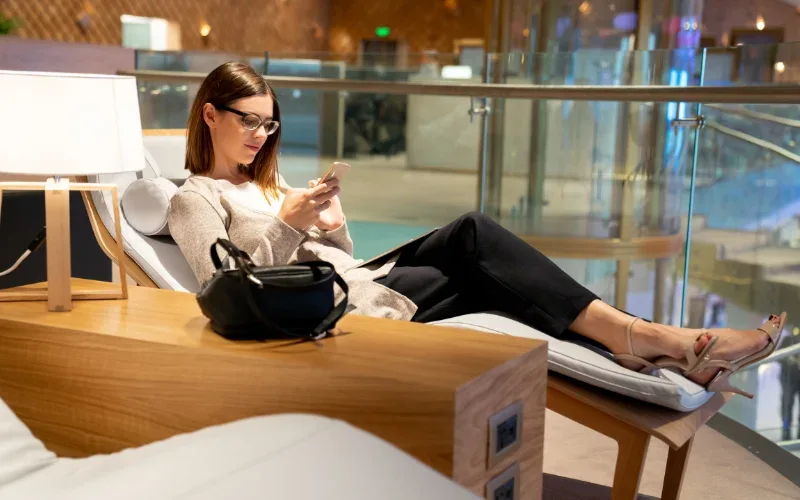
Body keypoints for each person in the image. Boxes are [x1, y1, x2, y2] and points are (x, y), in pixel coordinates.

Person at [167, 62, 787, 398]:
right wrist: (284, 225)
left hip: (354, 282)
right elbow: (223, 292)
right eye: (248, 120)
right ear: (210, 114)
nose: (260, 135)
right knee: (477, 241)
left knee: (491, 263)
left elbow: (333, 258)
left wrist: (331, 226)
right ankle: (657, 341)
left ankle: (657, 346)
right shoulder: (193, 199)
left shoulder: (269, 184)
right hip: (331, 311)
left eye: (270, 125)